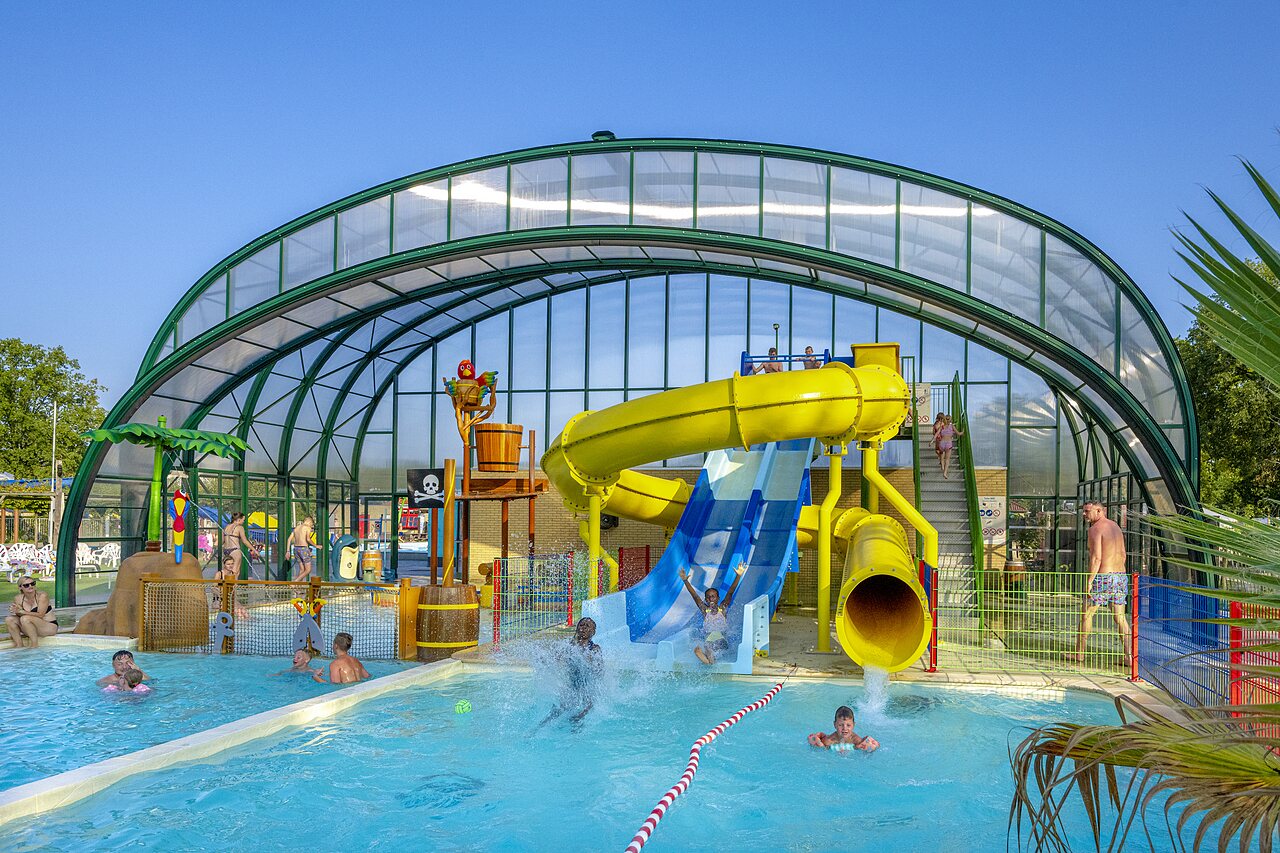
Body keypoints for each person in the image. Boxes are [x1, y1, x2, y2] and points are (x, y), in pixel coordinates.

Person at [1069, 502, 1133, 667]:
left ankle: (1079, 653)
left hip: (1103, 577)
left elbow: (1096, 557)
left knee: (1086, 613)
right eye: (1083, 511)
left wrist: (1090, 581)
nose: (1084, 514)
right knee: (1120, 618)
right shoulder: (1115, 527)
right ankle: (1129, 657)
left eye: (1087, 511)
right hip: (1120, 576)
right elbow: (1123, 554)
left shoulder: (1095, 529)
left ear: (1099, 511)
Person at [537, 617, 603, 729]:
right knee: (556, 710)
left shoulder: (594, 649)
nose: (583, 628)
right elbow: (555, 658)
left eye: (587, 626)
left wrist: (588, 660)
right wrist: (544, 660)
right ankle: (538, 729)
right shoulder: (569, 646)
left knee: (583, 713)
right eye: (581, 625)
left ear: (593, 632)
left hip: (588, 688)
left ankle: (576, 734)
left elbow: (599, 670)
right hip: (572, 686)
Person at [679, 562, 746, 664]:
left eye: (713, 596)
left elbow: (730, 592)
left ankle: (709, 660)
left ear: (718, 598)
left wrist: (738, 576)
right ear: (706, 599)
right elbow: (695, 596)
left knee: (713, 649)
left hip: (722, 638)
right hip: (709, 639)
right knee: (704, 648)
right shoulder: (705, 611)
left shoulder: (722, 608)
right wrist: (685, 581)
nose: (711, 598)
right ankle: (710, 660)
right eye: (708, 597)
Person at [4, 575, 57, 648]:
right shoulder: (18, 598)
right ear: (20, 587)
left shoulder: (42, 596)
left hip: (49, 627)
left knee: (25, 618)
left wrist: (22, 611)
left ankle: (34, 645)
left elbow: (41, 615)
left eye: (33, 583)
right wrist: (16, 611)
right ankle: (19, 645)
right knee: (9, 619)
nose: (30, 586)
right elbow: (20, 614)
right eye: (26, 585)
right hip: (30, 626)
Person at [807, 705, 879, 752]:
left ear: (853, 725)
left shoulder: (856, 741)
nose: (845, 728)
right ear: (835, 725)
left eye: (848, 725)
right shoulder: (829, 741)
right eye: (841, 725)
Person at [224, 512, 263, 580]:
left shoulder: (227, 527)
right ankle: (233, 589)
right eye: (243, 520)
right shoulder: (239, 527)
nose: (243, 521)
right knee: (235, 572)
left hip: (226, 550)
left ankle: (226, 588)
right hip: (235, 550)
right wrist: (254, 550)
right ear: (239, 519)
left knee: (227, 571)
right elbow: (245, 541)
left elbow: (222, 540)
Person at [934, 415, 963, 479]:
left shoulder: (942, 427)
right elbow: (959, 433)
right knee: (947, 459)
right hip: (948, 444)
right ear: (950, 420)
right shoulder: (952, 426)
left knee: (942, 455)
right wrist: (963, 431)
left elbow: (936, 434)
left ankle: (942, 466)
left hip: (941, 443)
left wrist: (932, 441)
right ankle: (945, 473)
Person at [289, 516, 316, 582]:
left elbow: (289, 539)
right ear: (309, 522)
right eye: (311, 524)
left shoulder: (296, 528)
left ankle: (298, 588)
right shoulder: (307, 528)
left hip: (296, 549)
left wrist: (287, 551)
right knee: (308, 570)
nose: (311, 526)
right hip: (303, 549)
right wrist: (316, 545)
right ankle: (295, 582)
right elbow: (308, 539)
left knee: (302, 569)